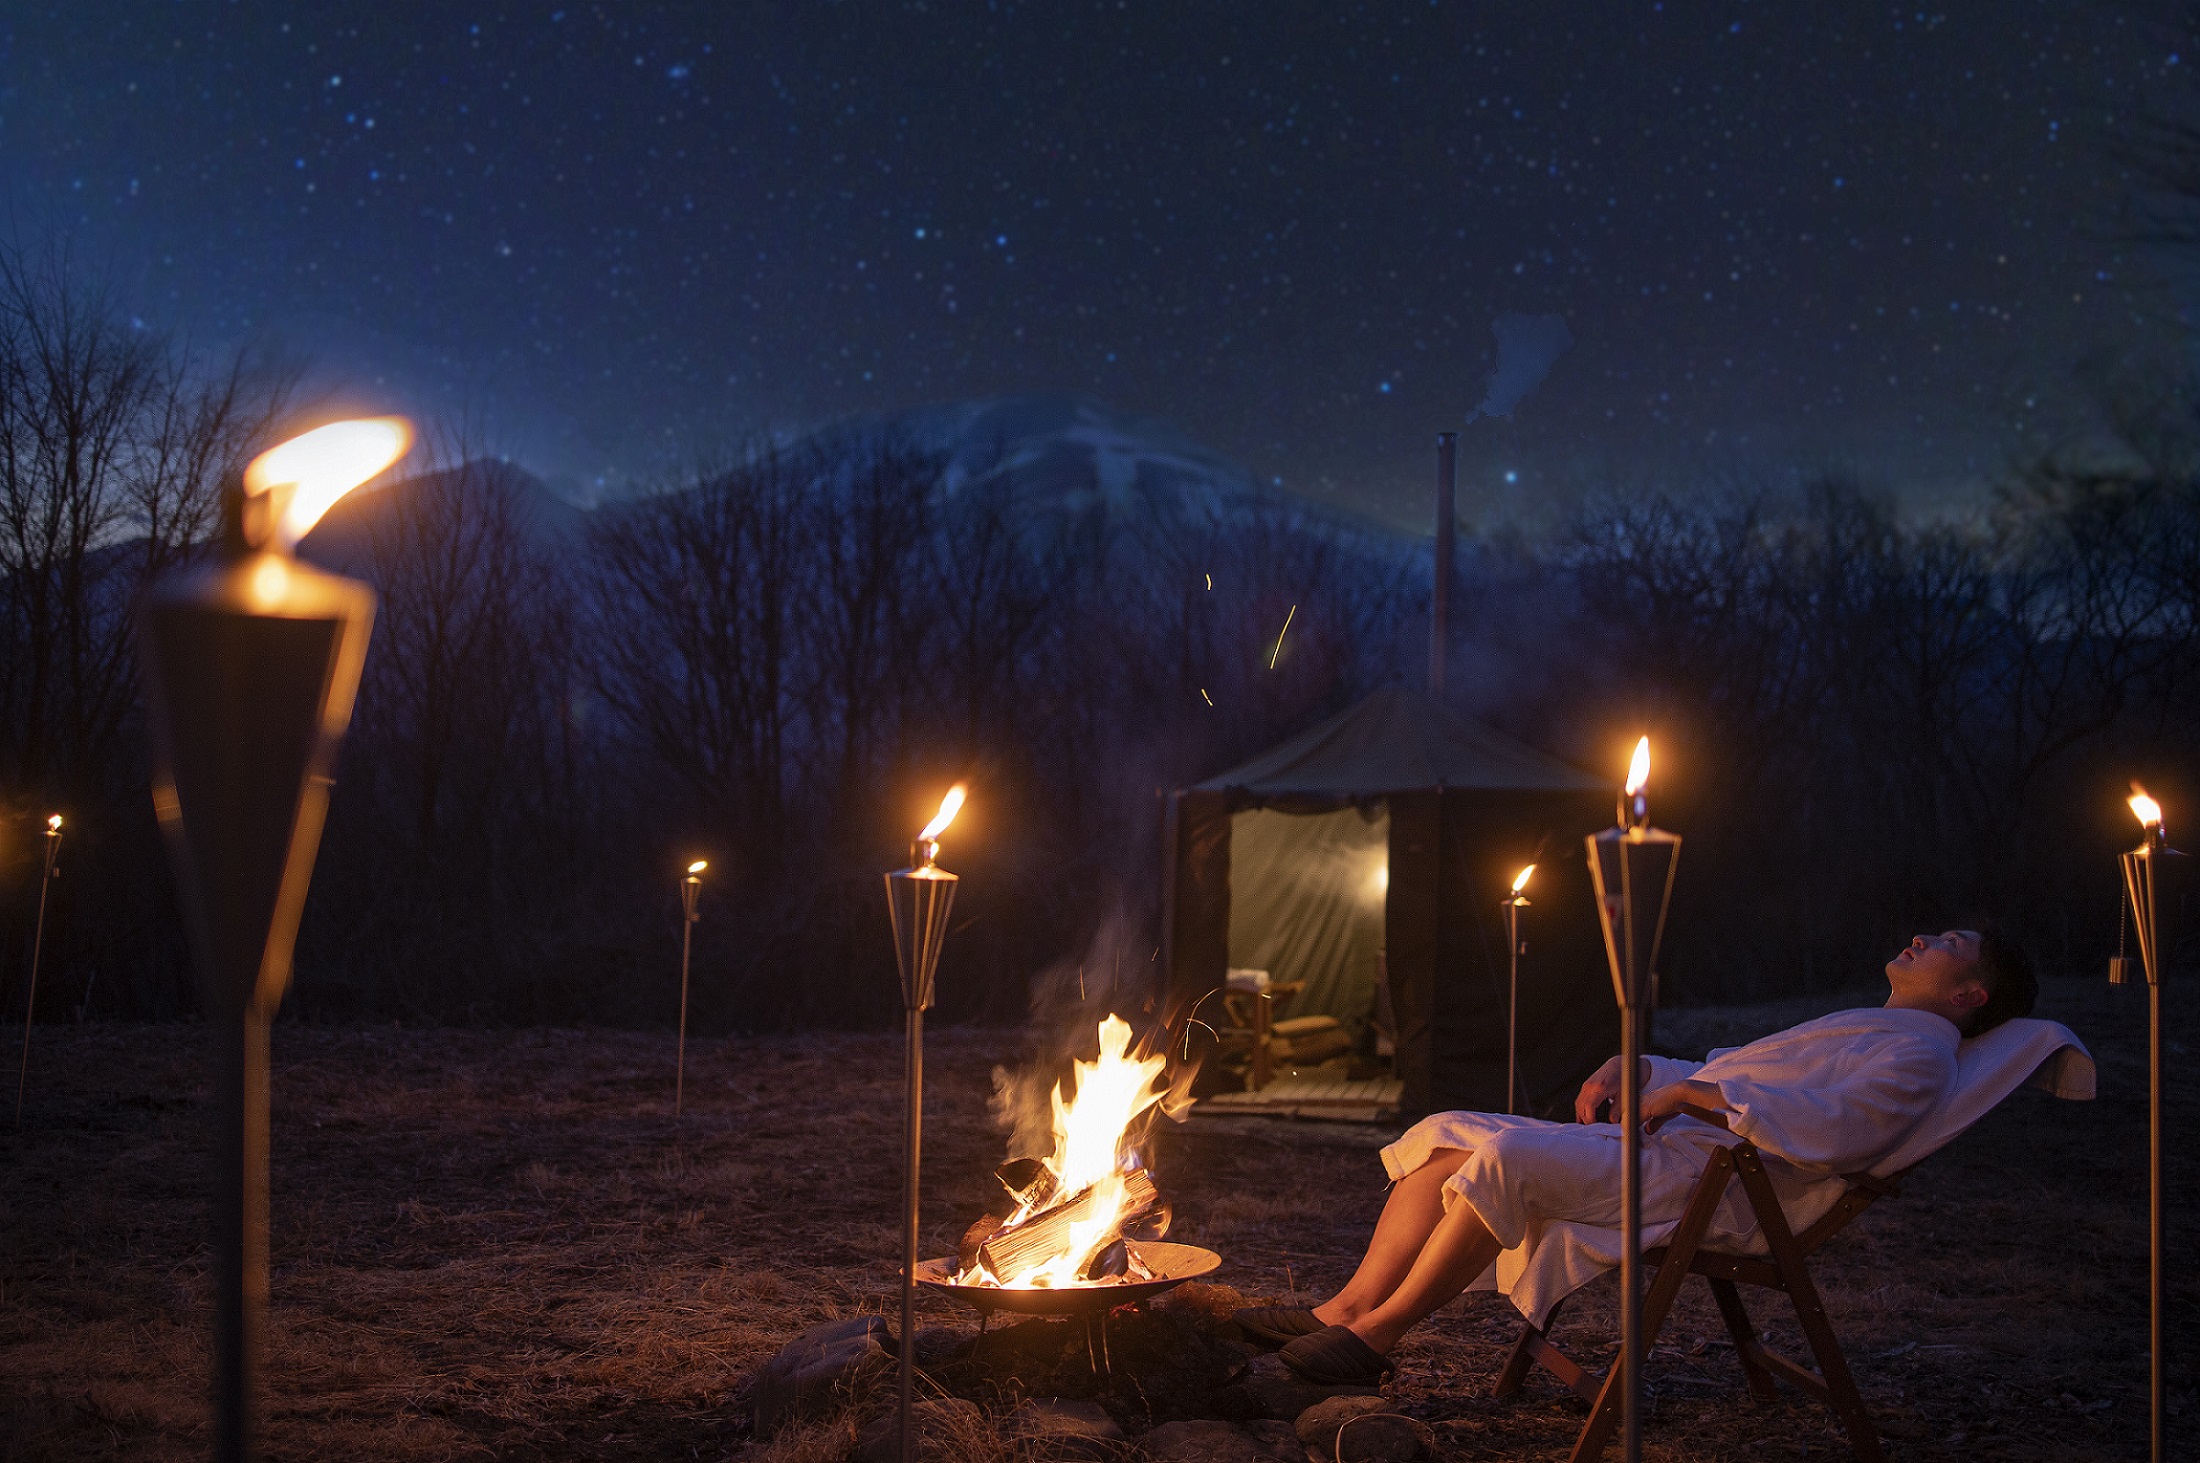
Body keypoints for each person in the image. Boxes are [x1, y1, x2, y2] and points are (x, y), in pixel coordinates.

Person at [1235, 927, 2038, 1384]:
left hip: (1714, 1186)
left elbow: (1834, 1130)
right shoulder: (1875, 1027)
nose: (1924, 936)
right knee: (1447, 1132)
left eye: (1949, 942)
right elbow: (1726, 1072)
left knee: (1508, 1158)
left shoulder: (1920, 1057)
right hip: (1680, 1150)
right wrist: (1642, 1067)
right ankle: (1340, 1308)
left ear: (1969, 995)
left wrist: (1692, 1100)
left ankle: (1375, 1337)